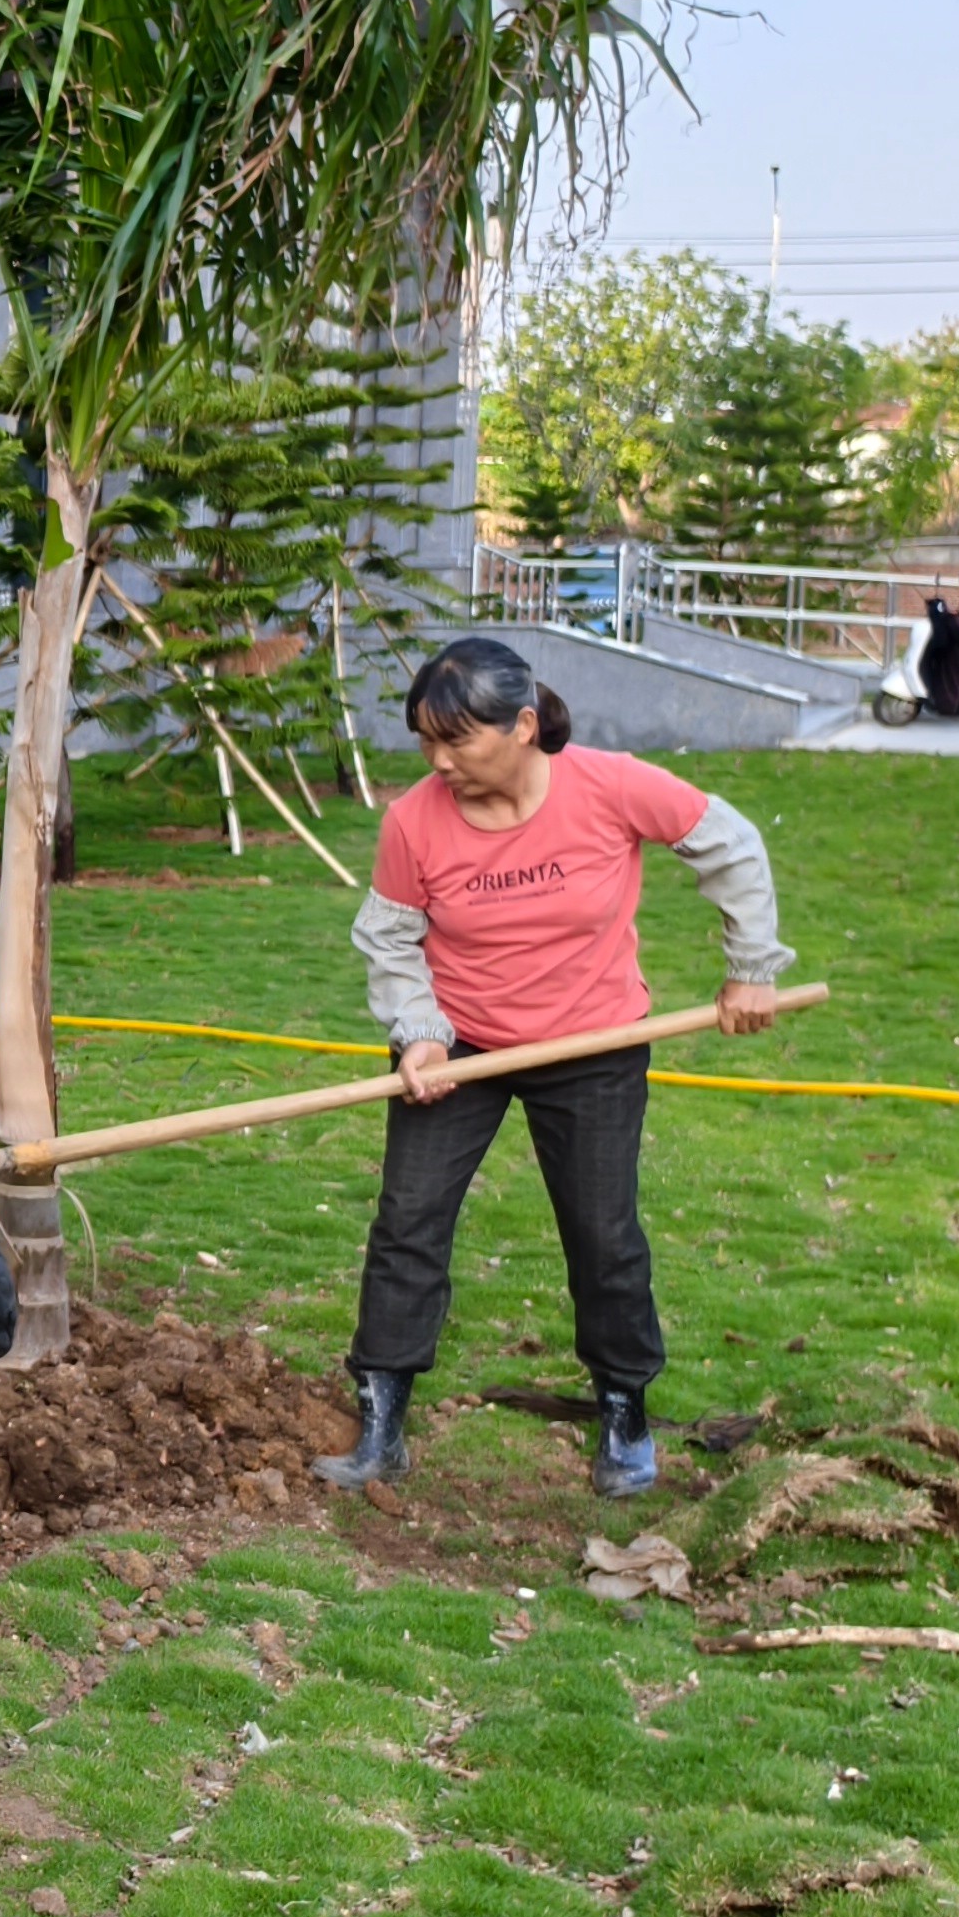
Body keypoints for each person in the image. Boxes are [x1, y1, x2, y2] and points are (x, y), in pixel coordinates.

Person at [324, 637, 792, 1502]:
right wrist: (420, 1035)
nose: (437, 761)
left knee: (603, 1233)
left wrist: (751, 970)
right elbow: (391, 938)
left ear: (523, 725)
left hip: (592, 1043)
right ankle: (381, 1418)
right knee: (408, 1221)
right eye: (425, 740)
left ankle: (623, 1409)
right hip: (460, 1044)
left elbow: (729, 843)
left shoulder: (610, 785)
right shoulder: (413, 822)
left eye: (456, 739)